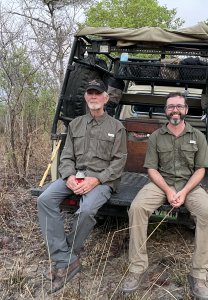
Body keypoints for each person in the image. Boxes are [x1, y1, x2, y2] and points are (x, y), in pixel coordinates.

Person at [121, 92, 208, 300]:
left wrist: (182, 192)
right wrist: (168, 190)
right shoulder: (156, 136)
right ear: (165, 111)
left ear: (186, 110)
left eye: (179, 106)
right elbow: (151, 169)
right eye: (171, 106)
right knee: (137, 208)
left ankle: (198, 275)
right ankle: (137, 269)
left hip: (188, 186)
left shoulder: (197, 136)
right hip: (160, 183)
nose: (175, 110)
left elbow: (201, 170)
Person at [37, 79, 127, 293]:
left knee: (86, 210)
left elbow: (118, 162)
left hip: (103, 180)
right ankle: (66, 259)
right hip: (75, 176)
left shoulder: (117, 127)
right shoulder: (75, 124)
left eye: (98, 93)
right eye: (90, 93)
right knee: (45, 199)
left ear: (106, 98)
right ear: (86, 97)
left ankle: (64, 260)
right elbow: (66, 156)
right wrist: (68, 176)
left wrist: (95, 180)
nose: (94, 97)